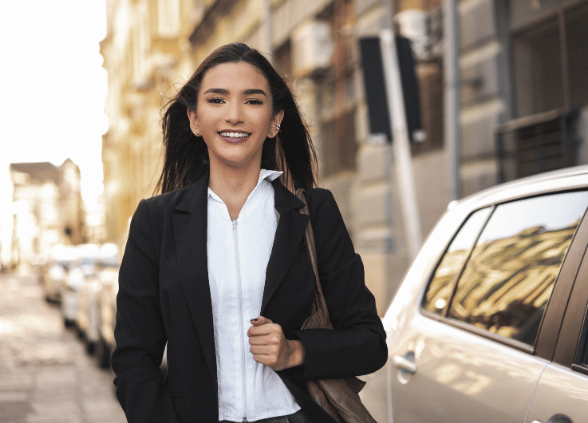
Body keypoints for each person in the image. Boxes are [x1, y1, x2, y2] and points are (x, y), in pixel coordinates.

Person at [112, 42, 388, 423]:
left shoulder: (314, 212)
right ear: (194, 119)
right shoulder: (155, 221)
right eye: (217, 100)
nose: (235, 115)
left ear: (275, 121)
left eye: (253, 101)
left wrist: (296, 351)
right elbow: (133, 358)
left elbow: (370, 342)